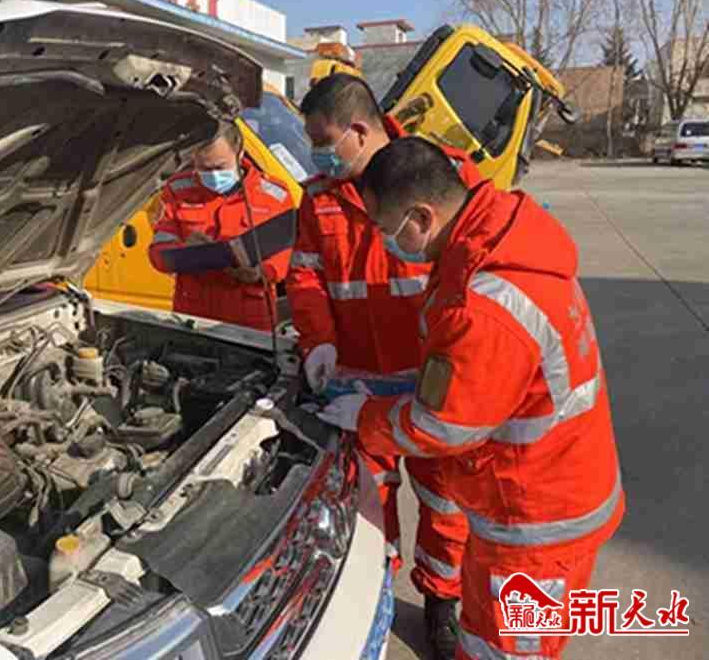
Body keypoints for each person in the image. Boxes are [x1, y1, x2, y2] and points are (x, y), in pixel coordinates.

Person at [319, 137, 625, 660]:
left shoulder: (485, 303)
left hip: (534, 524)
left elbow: (443, 427)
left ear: (422, 216)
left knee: (504, 650)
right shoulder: (497, 238)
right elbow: (478, 379)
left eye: (385, 228)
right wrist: (390, 387)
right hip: (545, 489)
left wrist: (365, 416)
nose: (382, 241)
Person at [286, 74, 480, 659]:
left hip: (430, 380)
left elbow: (478, 269)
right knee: (369, 501)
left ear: (358, 130)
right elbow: (305, 273)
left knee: (445, 500)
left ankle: (442, 601)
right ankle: (378, 589)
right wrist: (318, 342)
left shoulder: (439, 173)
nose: (317, 154)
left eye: (322, 141)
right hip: (356, 384)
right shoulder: (320, 196)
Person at [148, 121, 293, 331]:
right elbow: (158, 254)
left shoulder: (274, 195)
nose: (213, 175)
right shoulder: (178, 190)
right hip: (192, 314)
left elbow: (286, 258)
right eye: (204, 168)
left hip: (250, 315)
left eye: (220, 167)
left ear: (240, 153)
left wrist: (261, 272)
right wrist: (184, 251)